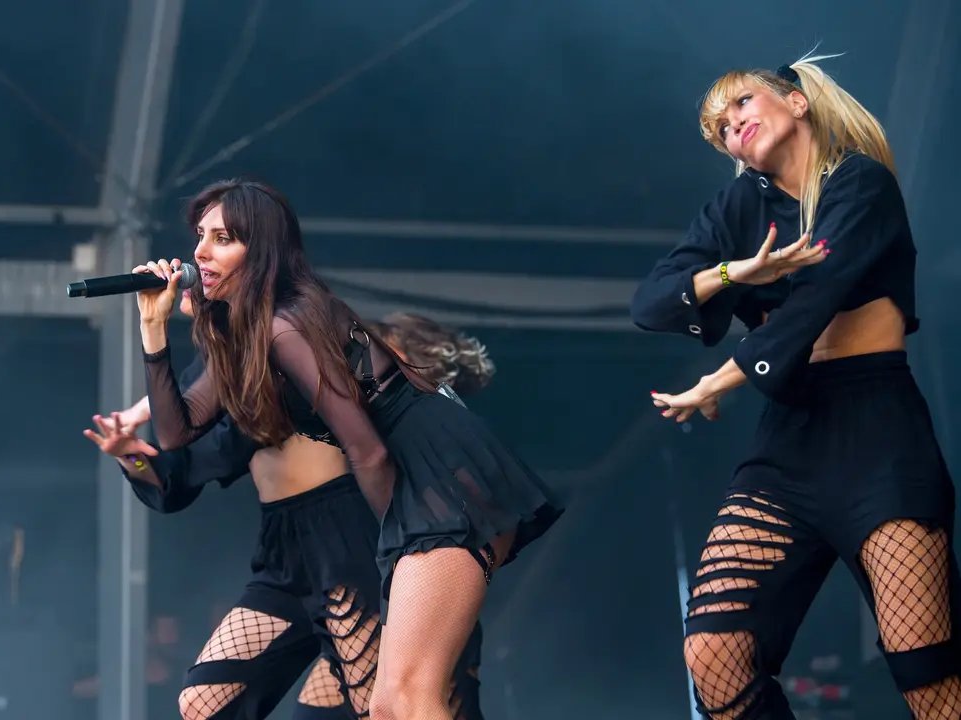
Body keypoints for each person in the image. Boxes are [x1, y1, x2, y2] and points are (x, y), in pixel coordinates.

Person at [129, 178, 561, 719]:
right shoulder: (250, 329)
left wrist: (391, 561)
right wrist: (153, 327)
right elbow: (177, 433)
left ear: (258, 249)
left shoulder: (289, 325)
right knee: (386, 708)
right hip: (414, 479)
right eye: (200, 235)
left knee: (406, 699)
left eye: (222, 238)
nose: (199, 251)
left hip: (437, 474)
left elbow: (369, 451)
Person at [630, 53, 961, 719]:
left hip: (877, 432)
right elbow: (652, 303)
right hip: (789, 443)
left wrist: (722, 376)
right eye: (720, 127)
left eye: (742, 104)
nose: (733, 125)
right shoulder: (736, 208)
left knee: (926, 675)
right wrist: (733, 273)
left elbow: (814, 300)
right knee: (713, 654)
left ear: (797, 102)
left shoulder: (859, 184)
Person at [85, 289, 496, 719]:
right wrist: (128, 452)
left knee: (385, 708)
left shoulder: (290, 340)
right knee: (203, 703)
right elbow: (174, 478)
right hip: (284, 554)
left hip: (347, 543)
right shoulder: (217, 378)